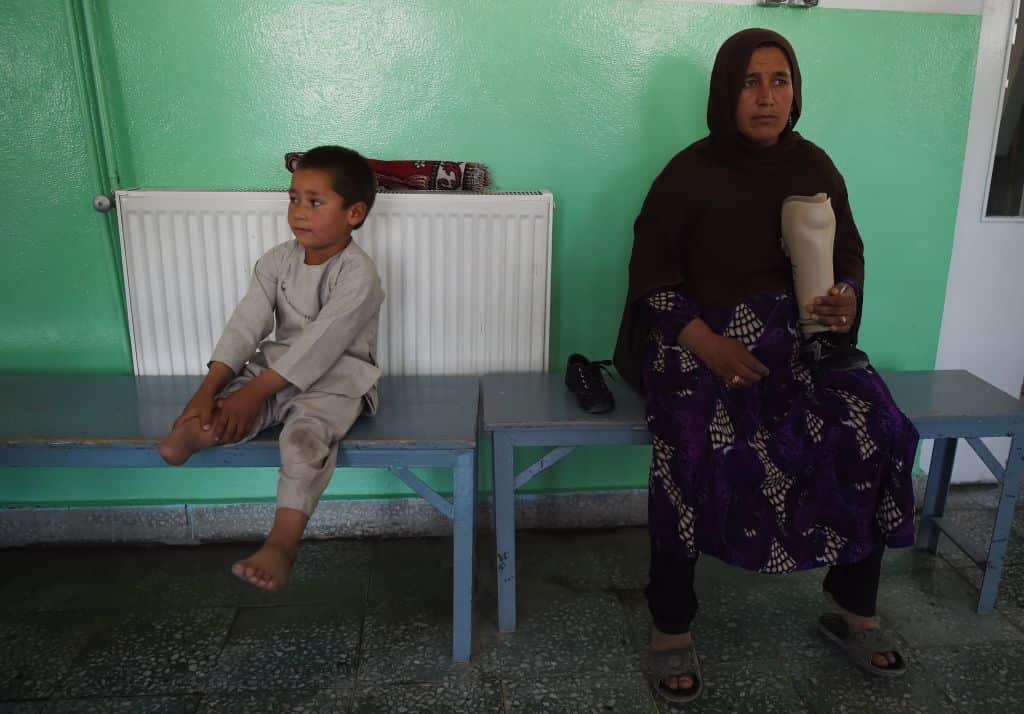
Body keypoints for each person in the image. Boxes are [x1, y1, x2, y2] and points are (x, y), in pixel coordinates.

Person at [614, 29, 917, 703]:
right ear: (726, 92)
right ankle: (670, 625)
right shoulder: (688, 172)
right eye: (750, 82)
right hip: (694, 344)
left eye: (780, 81)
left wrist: (846, 300)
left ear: (795, 92)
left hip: (794, 342)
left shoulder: (814, 167)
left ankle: (852, 608)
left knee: (874, 427)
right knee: (690, 444)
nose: (767, 97)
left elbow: (850, 256)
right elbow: (652, 283)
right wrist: (709, 345)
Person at [159, 145, 384, 592]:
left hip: (339, 378)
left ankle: (282, 544)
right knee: (225, 408)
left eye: (315, 202)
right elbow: (246, 325)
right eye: (294, 198)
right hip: (275, 370)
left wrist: (252, 394)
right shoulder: (277, 261)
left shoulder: (359, 274)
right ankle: (196, 429)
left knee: (302, 439)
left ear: (354, 213)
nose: (299, 212)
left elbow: (321, 348)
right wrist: (209, 390)